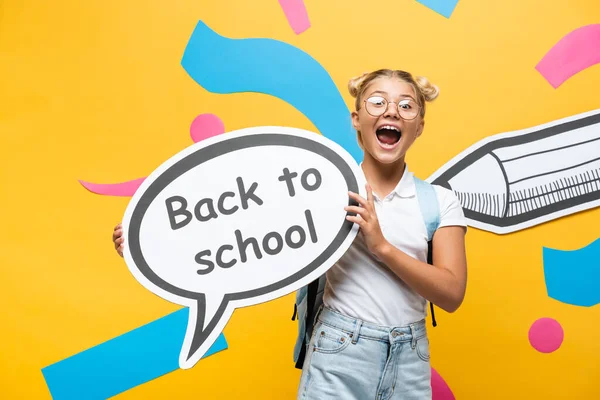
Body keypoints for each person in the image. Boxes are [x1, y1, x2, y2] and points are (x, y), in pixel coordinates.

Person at [112, 68, 468, 400]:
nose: (391, 112)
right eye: (377, 102)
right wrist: (151, 245)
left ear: (419, 125)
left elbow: (451, 295)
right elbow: (242, 234)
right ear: (357, 120)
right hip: (340, 350)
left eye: (406, 106)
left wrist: (381, 247)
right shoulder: (319, 191)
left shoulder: (439, 202)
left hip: (411, 358)